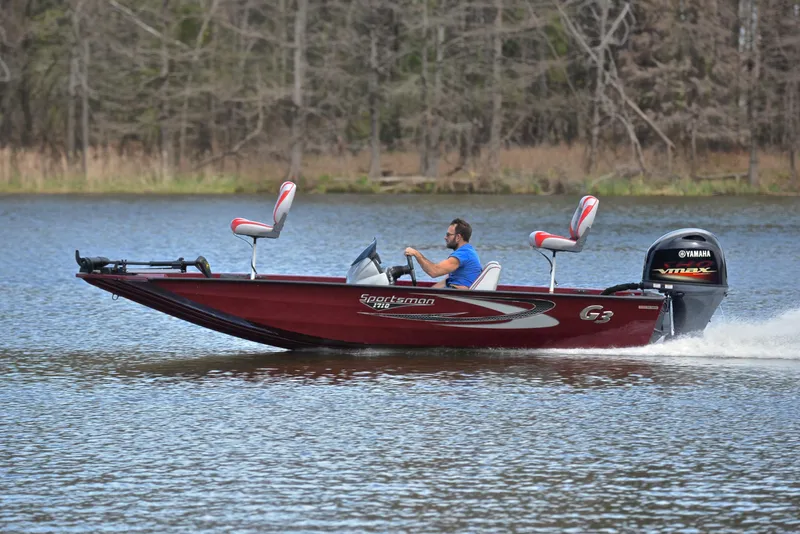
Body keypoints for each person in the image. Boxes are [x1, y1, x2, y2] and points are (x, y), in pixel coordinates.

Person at [404, 218, 482, 289]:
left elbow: (434, 271)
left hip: (458, 297)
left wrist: (416, 254)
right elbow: (444, 282)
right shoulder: (466, 252)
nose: (445, 237)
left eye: (448, 235)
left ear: (458, 237)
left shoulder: (463, 254)